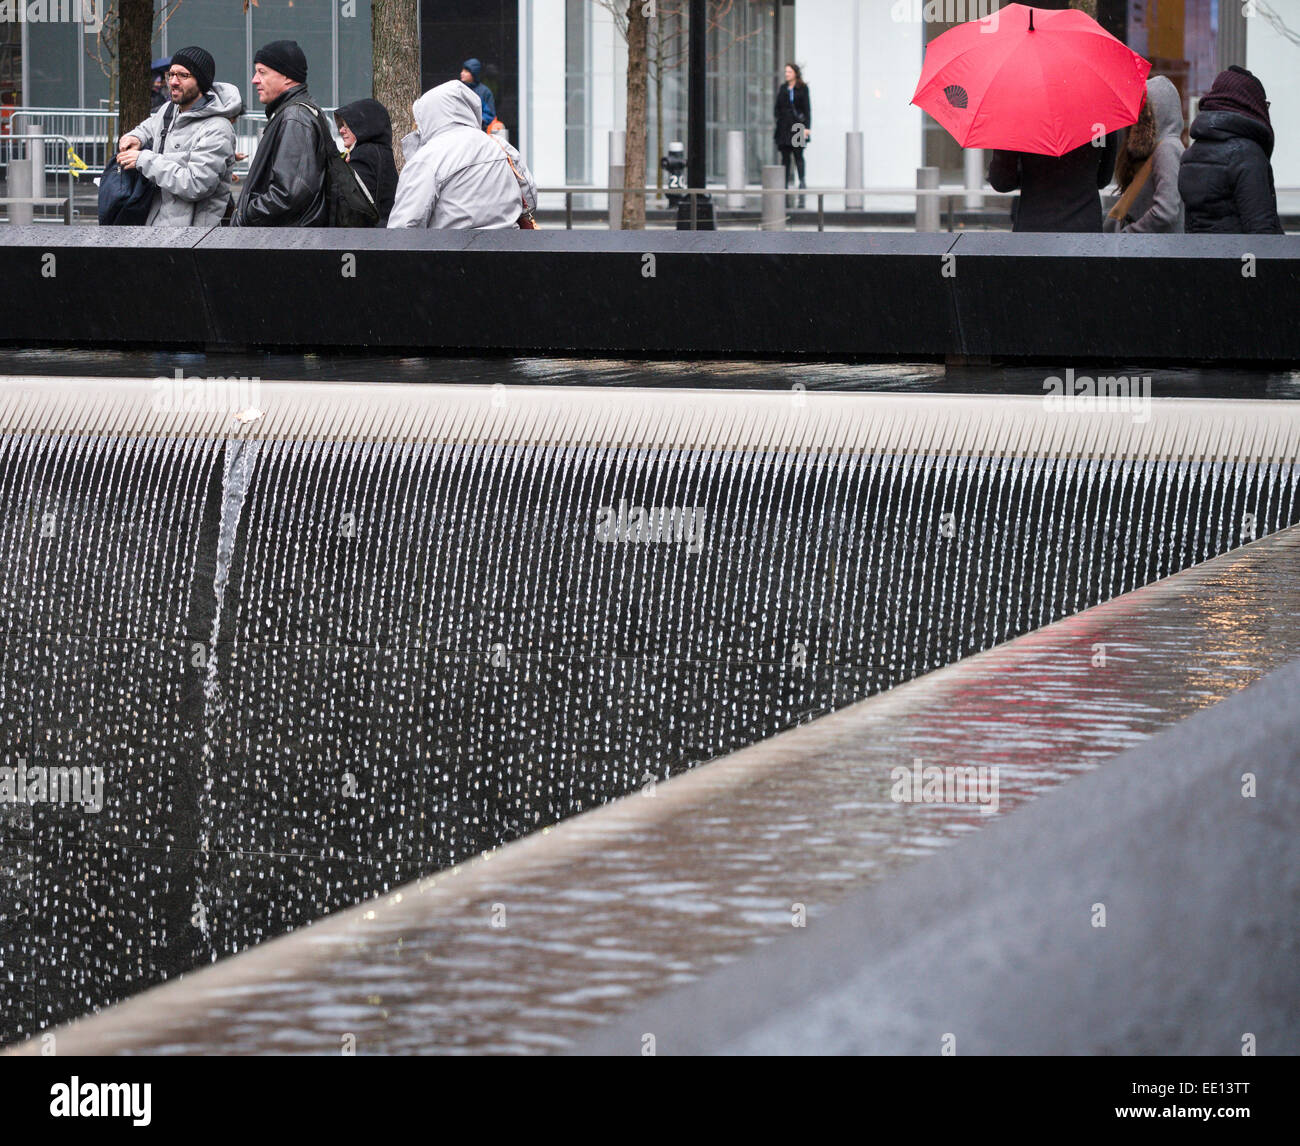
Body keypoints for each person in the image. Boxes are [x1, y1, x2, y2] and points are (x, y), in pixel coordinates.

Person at [116, 47, 242, 227]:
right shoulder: (169, 110)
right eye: (171, 74)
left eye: (183, 75)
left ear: (201, 81)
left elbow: (195, 185)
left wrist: (143, 159)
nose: (173, 82)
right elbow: (149, 127)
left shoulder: (218, 128)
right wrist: (136, 137)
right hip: (157, 228)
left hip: (193, 240)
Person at [388, 80, 536, 230]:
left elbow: (403, 226)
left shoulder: (428, 157)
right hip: (509, 246)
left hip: (452, 249)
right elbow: (529, 198)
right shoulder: (499, 145)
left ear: (428, 116)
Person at [232, 40, 328, 227]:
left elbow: (289, 192)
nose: (254, 79)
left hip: (285, 242)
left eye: (262, 72)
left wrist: (246, 215)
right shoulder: (291, 114)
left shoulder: (295, 118)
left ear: (286, 77)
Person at [1179, 66, 1283, 235]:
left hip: (1201, 258)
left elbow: (1191, 225)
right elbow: (1262, 235)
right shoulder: (1248, 154)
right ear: (1249, 104)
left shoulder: (1190, 155)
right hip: (1242, 260)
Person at [988, 131, 1118, 233]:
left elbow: (1002, 182)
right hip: (1085, 227)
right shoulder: (1101, 118)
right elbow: (1102, 179)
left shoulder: (1020, 119)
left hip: (1033, 229)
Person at [1104, 75, 1185, 234]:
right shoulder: (1160, 148)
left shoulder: (1168, 149)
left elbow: (1165, 212)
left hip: (1157, 252)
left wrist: (1130, 234)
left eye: (1143, 110)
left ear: (1155, 111)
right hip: (1153, 249)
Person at [334, 98, 398, 225]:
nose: (341, 130)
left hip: (368, 236)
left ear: (364, 125)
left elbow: (352, 205)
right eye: (341, 125)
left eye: (348, 125)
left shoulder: (364, 153)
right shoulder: (379, 151)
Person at [774, 63, 811, 206]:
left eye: (789, 72)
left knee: (798, 155)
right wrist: (780, 118)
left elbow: (807, 109)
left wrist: (807, 127)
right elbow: (777, 107)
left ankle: (802, 181)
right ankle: (784, 183)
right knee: (785, 157)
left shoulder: (802, 88)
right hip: (784, 127)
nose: (787, 74)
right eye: (786, 72)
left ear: (795, 73)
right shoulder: (783, 88)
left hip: (797, 127)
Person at [460, 58, 497, 131]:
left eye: (466, 71)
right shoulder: (459, 89)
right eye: (462, 70)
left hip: (478, 131)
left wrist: (480, 122)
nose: (462, 73)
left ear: (474, 73)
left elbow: (489, 114)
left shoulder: (484, 92)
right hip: (460, 130)